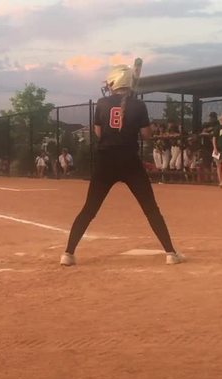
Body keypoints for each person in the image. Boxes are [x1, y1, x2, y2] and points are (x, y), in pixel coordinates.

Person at [60, 62, 184, 266]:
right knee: (151, 209)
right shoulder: (138, 105)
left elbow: (98, 132)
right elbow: (146, 135)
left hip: (106, 162)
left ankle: (68, 253)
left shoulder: (102, 103)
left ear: (115, 83)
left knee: (89, 209)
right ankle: (170, 253)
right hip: (130, 163)